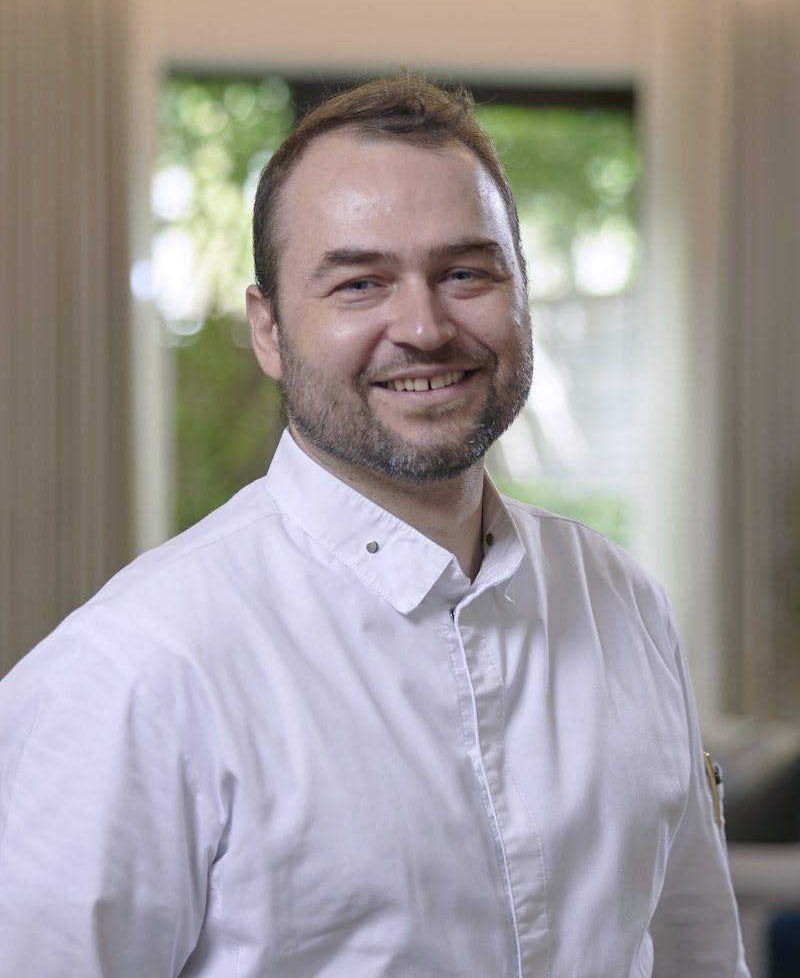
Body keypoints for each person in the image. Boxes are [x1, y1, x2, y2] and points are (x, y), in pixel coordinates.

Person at [0, 76, 749, 977]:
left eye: (465, 272)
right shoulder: (134, 675)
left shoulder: (621, 602)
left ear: (521, 295)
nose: (425, 326)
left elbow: (698, 955)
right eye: (360, 282)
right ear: (269, 331)